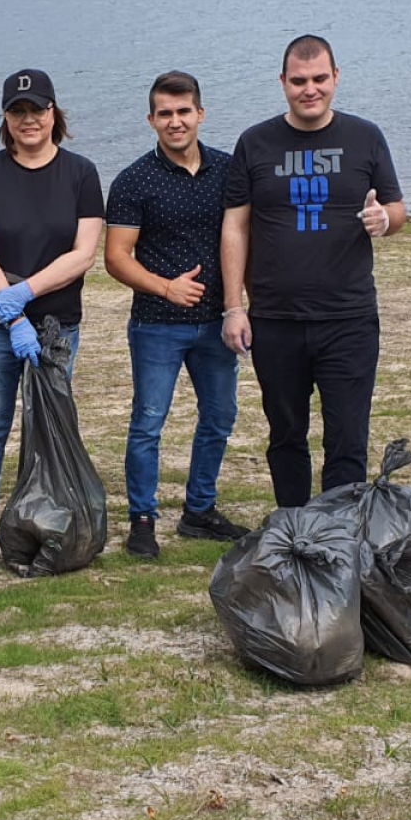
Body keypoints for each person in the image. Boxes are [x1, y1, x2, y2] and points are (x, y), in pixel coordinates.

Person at [221, 34, 405, 508]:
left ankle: (338, 537)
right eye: (299, 81)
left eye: (320, 79)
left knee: (347, 440)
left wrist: (384, 220)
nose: (310, 89)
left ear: (336, 77)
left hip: (348, 318)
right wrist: (233, 309)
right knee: (286, 435)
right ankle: (294, 527)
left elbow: (396, 209)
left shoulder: (365, 136)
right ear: (282, 82)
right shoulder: (255, 142)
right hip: (276, 319)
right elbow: (236, 227)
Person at [0, 69, 105, 572]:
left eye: (37, 109)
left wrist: (24, 294)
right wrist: (10, 314)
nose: (29, 119)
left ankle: (48, 520)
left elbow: (83, 254)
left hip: (57, 326)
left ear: (55, 113)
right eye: (18, 111)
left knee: (48, 425)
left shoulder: (81, 174)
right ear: (5, 118)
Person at [104, 70, 247, 558]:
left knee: (220, 415)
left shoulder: (230, 171)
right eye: (164, 113)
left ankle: (199, 510)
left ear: (200, 114)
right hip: (156, 323)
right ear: (151, 120)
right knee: (148, 420)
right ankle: (142, 517)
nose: (175, 121)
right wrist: (167, 288)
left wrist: (238, 305)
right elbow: (116, 257)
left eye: (184, 111)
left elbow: (246, 236)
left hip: (217, 320)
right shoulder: (133, 181)